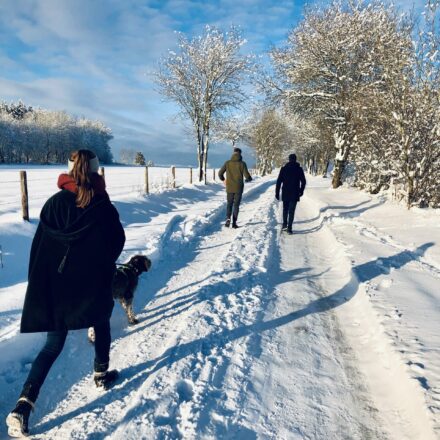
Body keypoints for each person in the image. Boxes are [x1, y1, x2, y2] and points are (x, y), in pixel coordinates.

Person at [6, 150, 125, 438]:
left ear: (68, 171)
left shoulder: (53, 204)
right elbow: (117, 243)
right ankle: (100, 374)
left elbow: (40, 249)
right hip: (92, 283)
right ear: (97, 172)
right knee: (101, 320)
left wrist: (41, 283)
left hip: (58, 286)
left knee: (52, 346)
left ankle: (23, 406)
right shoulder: (103, 206)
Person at [218, 147, 252, 228]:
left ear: (233, 153)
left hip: (229, 187)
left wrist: (223, 179)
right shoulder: (242, 164)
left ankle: (227, 218)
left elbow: (220, 173)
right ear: (240, 154)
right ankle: (234, 223)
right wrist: (248, 179)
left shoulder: (227, 163)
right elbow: (247, 176)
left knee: (229, 204)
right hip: (238, 188)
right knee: (236, 205)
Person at [275, 153, 306, 234]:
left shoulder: (284, 169)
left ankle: (285, 224)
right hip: (295, 193)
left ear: (289, 159)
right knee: (291, 210)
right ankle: (289, 228)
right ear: (295, 159)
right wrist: (301, 191)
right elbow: (303, 181)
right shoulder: (299, 169)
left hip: (285, 192)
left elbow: (279, 182)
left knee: (285, 209)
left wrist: (277, 193)